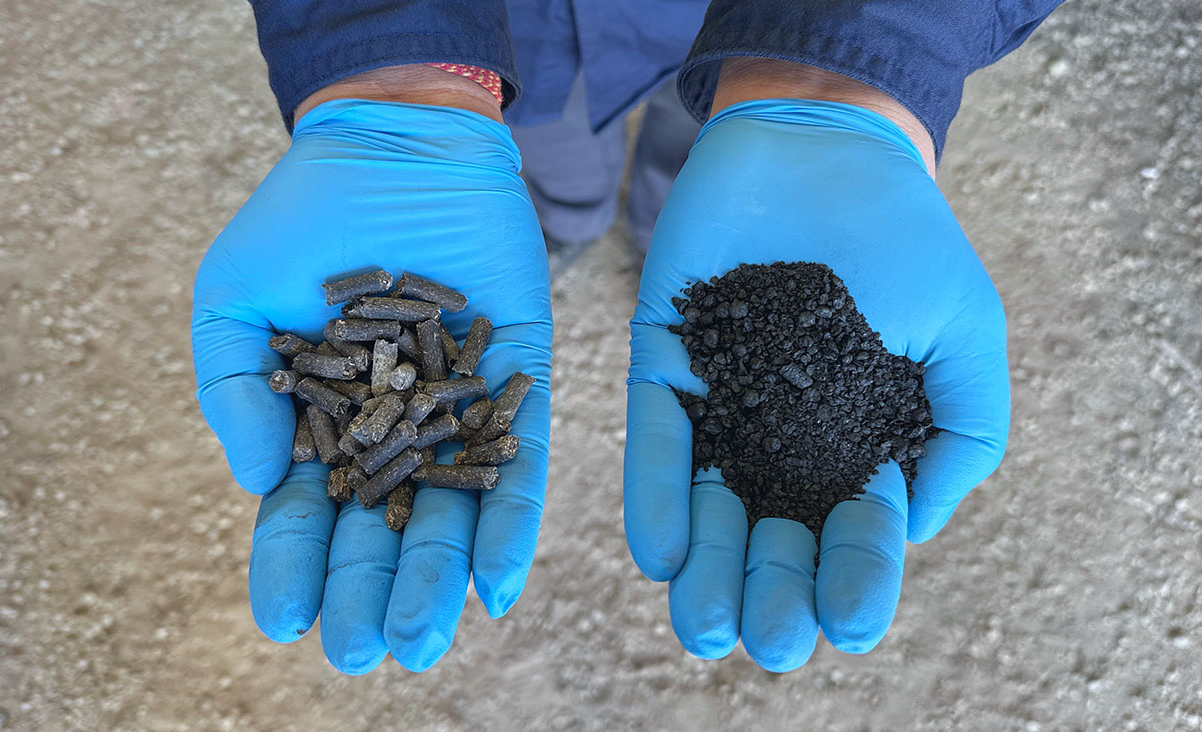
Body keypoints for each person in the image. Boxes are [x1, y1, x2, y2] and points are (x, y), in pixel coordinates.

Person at [192, 0, 1062, 675]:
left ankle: (653, 203)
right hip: (487, 39)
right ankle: (572, 211)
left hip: (757, 28)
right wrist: (398, 77)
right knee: (557, 157)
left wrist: (841, 70)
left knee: (701, 146)